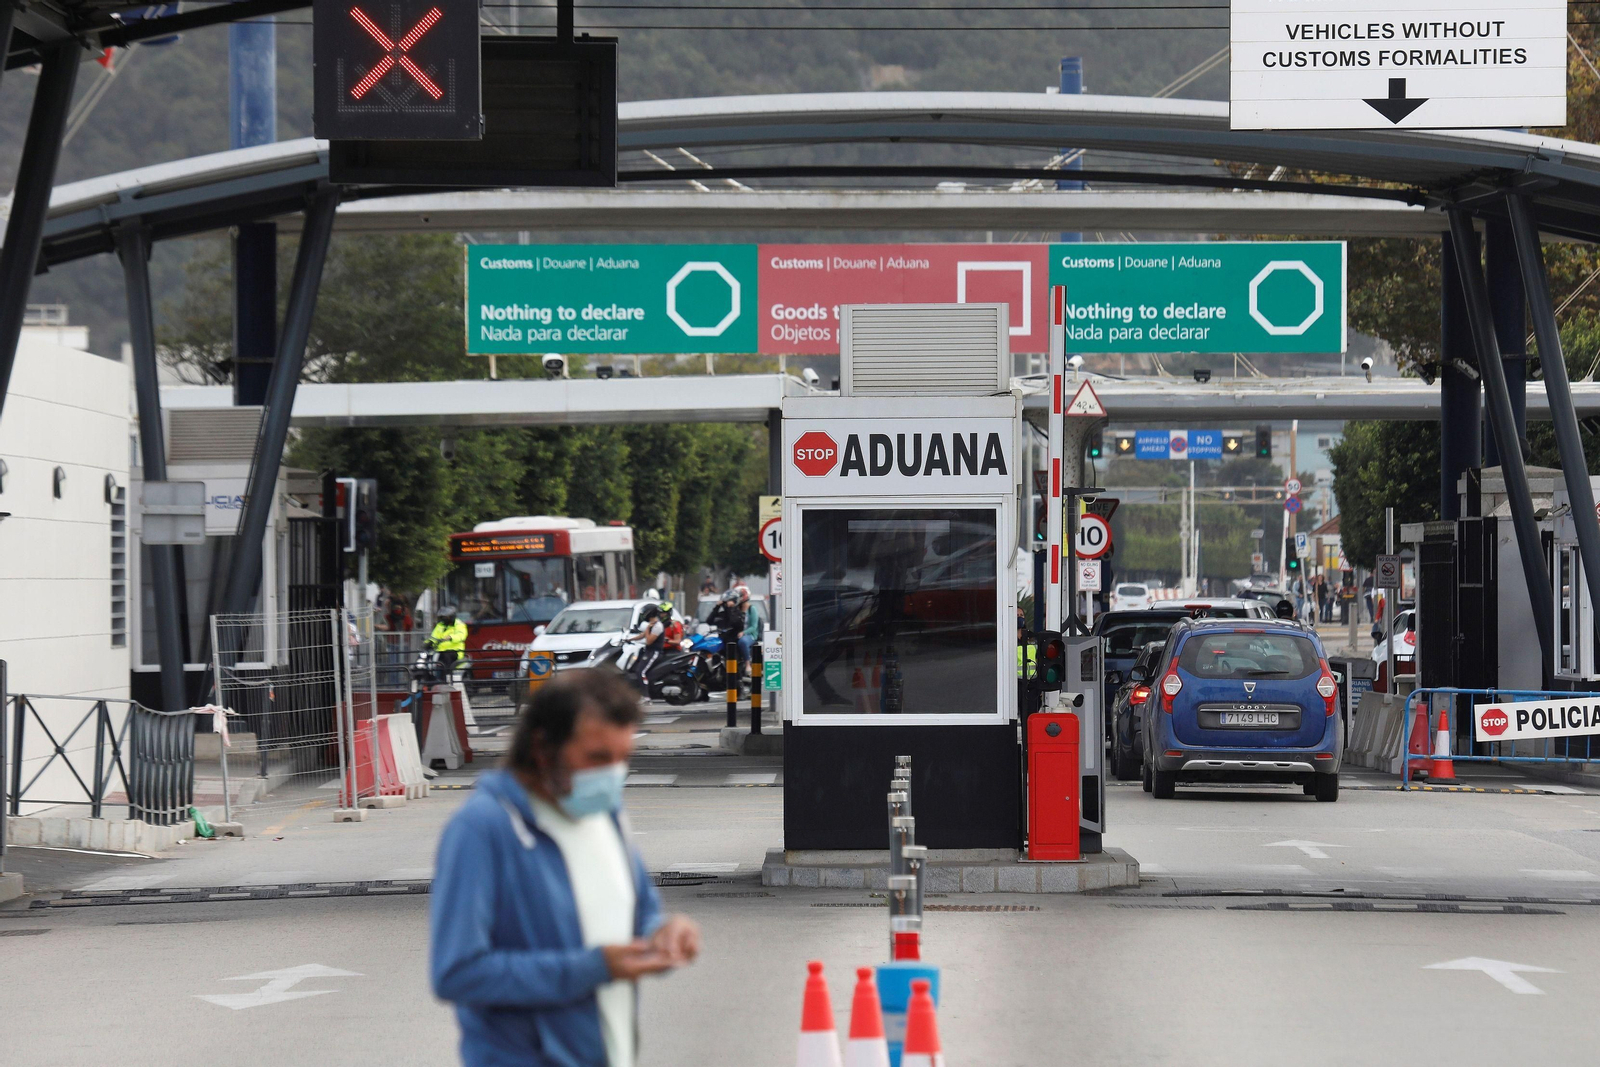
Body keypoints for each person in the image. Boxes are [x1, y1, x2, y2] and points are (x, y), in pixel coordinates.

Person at [431, 669, 701, 1067]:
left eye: (623, 759)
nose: (612, 775)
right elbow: (458, 972)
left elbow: (641, 912)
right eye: (597, 757)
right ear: (543, 747)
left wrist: (662, 933)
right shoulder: (483, 829)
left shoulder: (605, 813)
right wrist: (592, 967)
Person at [429, 607, 468, 681]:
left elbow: (461, 636)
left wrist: (451, 637)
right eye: (442, 617)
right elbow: (434, 636)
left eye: (445, 617)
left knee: (445, 658)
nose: (443, 619)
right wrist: (429, 643)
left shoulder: (459, 624)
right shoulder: (440, 625)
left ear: (451, 617)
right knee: (429, 660)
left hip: (455, 651)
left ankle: (445, 681)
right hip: (440, 651)